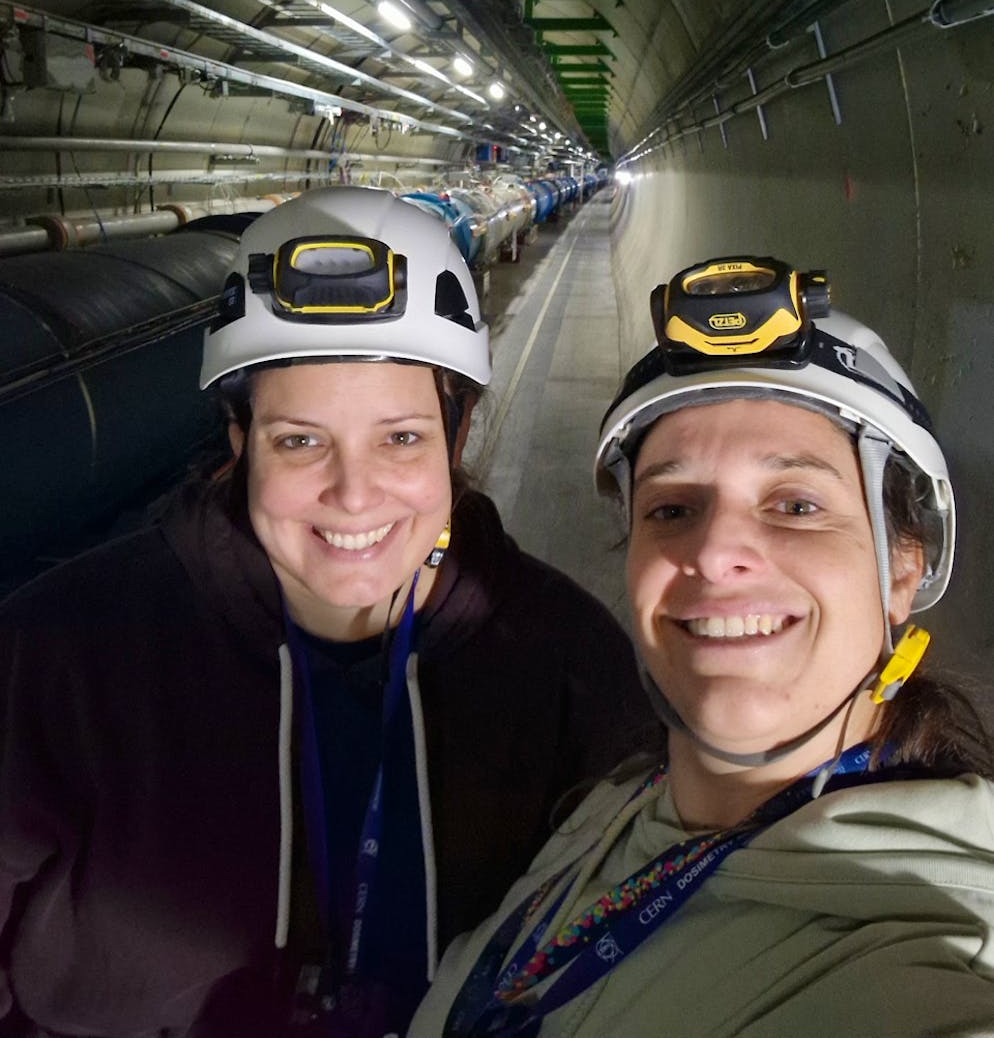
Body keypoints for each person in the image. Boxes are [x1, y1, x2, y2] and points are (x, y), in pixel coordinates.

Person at [0, 186, 652, 1038]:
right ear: (238, 440)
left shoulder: (568, 665)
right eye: (299, 439)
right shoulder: (61, 652)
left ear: (456, 439)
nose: (353, 495)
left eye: (400, 438)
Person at [411, 254, 994, 1036]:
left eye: (794, 503)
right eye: (673, 509)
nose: (716, 552)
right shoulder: (615, 812)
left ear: (903, 568)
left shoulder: (932, 944)